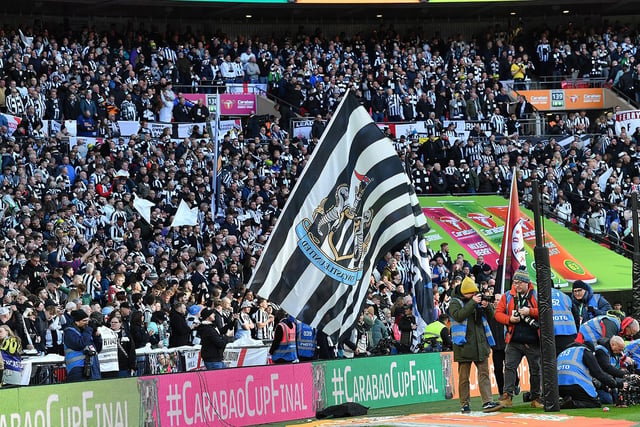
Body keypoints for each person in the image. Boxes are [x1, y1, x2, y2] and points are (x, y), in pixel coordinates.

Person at [448, 276, 502, 413]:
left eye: (475, 293)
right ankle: (464, 404)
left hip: (480, 344)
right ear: (465, 292)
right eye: (472, 293)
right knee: (464, 378)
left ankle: (487, 402)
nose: (474, 295)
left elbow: (492, 317)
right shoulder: (455, 302)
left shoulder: (475, 301)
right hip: (464, 345)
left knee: (484, 374)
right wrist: (472, 302)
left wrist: (487, 306)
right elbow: (459, 316)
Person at [495, 268, 543, 408]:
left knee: (535, 370)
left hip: (533, 341)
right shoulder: (507, 296)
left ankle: (536, 398)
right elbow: (498, 314)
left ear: (527, 282)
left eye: (519, 283)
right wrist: (509, 319)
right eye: (515, 283)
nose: (516, 285)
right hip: (514, 340)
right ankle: (507, 396)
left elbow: (546, 311)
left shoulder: (536, 295)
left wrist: (530, 312)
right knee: (509, 367)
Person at [558, 342, 625, 409]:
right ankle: (572, 403)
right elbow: (598, 374)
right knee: (596, 403)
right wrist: (617, 384)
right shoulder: (584, 351)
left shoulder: (562, 353)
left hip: (559, 387)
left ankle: (564, 400)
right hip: (575, 384)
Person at [63, 309, 102, 382]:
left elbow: (97, 349)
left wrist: (97, 336)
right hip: (77, 369)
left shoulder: (86, 332)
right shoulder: (69, 332)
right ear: (77, 322)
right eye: (84, 321)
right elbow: (80, 344)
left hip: (92, 368)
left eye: (88, 321)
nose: (87, 323)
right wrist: (89, 329)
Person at [594, 336, 628, 405]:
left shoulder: (615, 353)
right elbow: (607, 367)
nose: (621, 352)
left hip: (609, 381)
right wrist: (624, 374)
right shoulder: (600, 351)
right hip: (599, 382)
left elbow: (615, 368)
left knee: (614, 399)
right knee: (608, 400)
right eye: (619, 349)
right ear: (612, 345)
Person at [551, 287, 577, 355]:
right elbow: (576, 315)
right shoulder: (564, 296)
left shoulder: (538, 295)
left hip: (551, 335)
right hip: (569, 333)